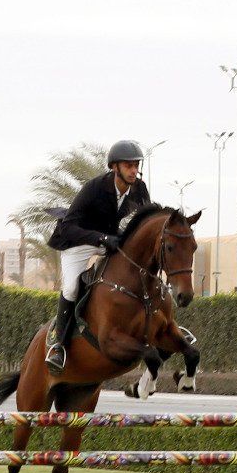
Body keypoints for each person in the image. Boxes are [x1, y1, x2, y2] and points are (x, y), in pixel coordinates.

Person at [43, 140, 151, 372]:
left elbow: (145, 222)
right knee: (72, 287)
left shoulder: (139, 188)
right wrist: (101, 239)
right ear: (115, 167)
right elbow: (70, 226)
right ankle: (58, 344)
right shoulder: (94, 188)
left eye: (136, 165)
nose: (134, 170)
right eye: (128, 166)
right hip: (78, 242)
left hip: (109, 241)